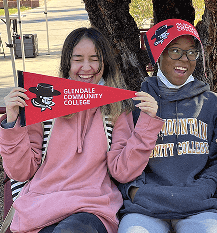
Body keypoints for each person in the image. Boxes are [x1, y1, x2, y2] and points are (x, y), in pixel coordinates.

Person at [0, 27, 164, 233]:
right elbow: (21, 171)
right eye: (78, 59)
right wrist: (12, 123)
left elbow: (123, 171)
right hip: (41, 208)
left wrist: (147, 125)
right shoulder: (44, 103)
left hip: (93, 208)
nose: (86, 67)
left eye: (94, 59)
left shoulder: (116, 108)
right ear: (67, 63)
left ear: (104, 64)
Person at [117, 19, 217, 233]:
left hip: (201, 207)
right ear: (159, 56)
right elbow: (122, 160)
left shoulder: (213, 104)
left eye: (191, 52)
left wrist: (204, 189)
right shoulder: (137, 103)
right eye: (175, 51)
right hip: (145, 208)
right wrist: (135, 191)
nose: (184, 60)